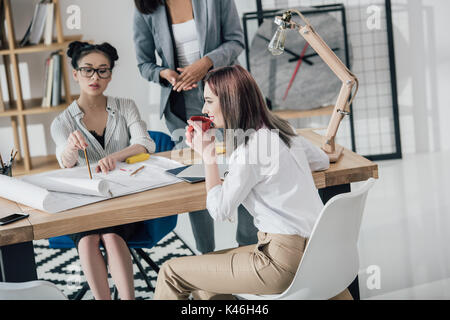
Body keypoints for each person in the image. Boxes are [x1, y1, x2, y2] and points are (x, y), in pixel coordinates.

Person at [153, 65, 353, 300]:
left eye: (208, 101)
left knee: (170, 272)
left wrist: (208, 157)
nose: (204, 109)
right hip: (319, 253)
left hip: (280, 263)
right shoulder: (282, 130)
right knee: (206, 286)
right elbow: (320, 161)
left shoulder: (248, 150)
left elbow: (219, 210)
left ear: (230, 101)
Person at [133, 0, 258, 254]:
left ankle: (248, 249)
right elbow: (144, 64)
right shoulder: (145, 8)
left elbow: (236, 41)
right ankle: (206, 257)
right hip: (182, 106)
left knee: (244, 168)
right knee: (197, 177)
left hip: (227, 99)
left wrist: (206, 63)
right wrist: (164, 74)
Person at [50, 41, 156, 300]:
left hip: (122, 198)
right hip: (84, 204)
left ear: (110, 74)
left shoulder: (125, 106)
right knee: (87, 241)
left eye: (102, 70)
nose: (95, 77)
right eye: (87, 70)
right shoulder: (61, 122)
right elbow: (64, 160)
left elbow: (146, 143)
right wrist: (72, 149)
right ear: (75, 73)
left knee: (111, 234)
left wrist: (114, 157)